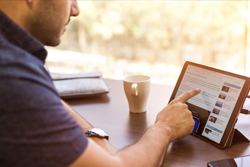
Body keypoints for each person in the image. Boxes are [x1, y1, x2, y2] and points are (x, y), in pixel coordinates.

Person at [0, 0, 201, 166]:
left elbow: (37, 96)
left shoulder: (15, 65)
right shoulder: (11, 73)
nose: (75, 10)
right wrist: (165, 127)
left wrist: (97, 139)